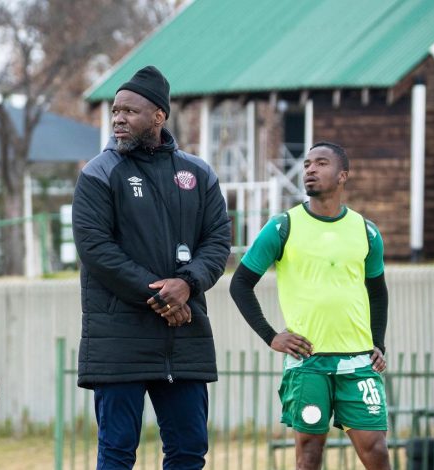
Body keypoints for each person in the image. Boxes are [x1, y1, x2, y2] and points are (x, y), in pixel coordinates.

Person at [72, 65, 231, 469]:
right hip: (118, 337)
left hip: (184, 338)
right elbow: (96, 250)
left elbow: (217, 241)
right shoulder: (98, 173)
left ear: (159, 115)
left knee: (189, 450)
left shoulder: (198, 173)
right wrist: (162, 294)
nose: (118, 119)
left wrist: (188, 284)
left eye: (129, 111)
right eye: (115, 111)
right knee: (118, 451)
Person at [229, 141, 390, 470]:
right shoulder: (282, 227)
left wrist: (378, 342)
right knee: (309, 457)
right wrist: (271, 336)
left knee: (376, 451)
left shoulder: (366, 231)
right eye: (306, 165)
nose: (310, 170)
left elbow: (378, 292)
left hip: (358, 364)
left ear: (342, 175)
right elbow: (239, 284)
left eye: (320, 164)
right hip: (308, 365)